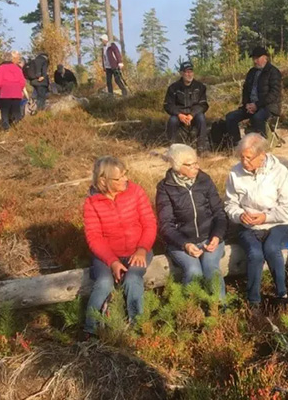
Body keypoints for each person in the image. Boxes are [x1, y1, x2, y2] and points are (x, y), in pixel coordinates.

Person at [82, 156, 156, 338]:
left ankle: (136, 326)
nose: (125, 180)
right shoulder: (92, 203)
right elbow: (94, 238)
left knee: (132, 279)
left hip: (138, 250)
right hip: (107, 255)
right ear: (103, 180)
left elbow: (149, 223)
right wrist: (112, 261)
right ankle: (89, 329)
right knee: (104, 283)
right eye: (119, 178)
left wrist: (142, 249)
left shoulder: (136, 192)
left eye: (125, 174)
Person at [224, 133, 288, 307]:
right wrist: (240, 215)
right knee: (255, 254)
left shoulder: (280, 172)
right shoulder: (235, 173)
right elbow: (229, 204)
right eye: (241, 157)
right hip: (248, 226)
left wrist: (265, 217)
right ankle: (254, 300)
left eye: (248, 158)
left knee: (272, 248)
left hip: (278, 223)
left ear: (262, 156)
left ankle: (282, 294)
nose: (244, 162)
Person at [156, 144, 227, 297]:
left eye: (196, 162)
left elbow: (219, 213)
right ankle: (191, 309)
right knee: (194, 271)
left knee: (211, 268)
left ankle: (219, 309)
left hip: (209, 237)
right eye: (190, 165)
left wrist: (216, 236)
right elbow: (165, 225)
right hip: (180, 242)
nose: (196, 167)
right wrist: (185, 244)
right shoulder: (165, 188)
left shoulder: (204, 180)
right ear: (177, 166)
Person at [225, 46, 282, 146]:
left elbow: (274, 93)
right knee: (231, 117)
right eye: (253, 58)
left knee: (257, 117)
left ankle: (262, 147)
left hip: (268, 107)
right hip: (251, 106)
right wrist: (247, 104)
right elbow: (245, 90)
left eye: (257, 58)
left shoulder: (273, 72)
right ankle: (237, 146)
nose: (255, 61)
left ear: (265, 58)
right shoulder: (251, 72)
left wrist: (257, 105)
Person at [164, 61, 210, 152]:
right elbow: (168, 105)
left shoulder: (200, 87)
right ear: (181, 73)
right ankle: (173, 148)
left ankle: (201, 148)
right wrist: (179, 114)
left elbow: (203, 105)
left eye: (191, 71)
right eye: (187, 72)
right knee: (172, 120)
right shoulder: (173, 88)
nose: (189, 74)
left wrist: (192, 114)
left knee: (201, 118)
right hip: (179, 115)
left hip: (194, 114)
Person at [0, 51, 27, 130]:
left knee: (5, 110)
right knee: (16, 110)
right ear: (11, 59)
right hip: (17, 92)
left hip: (5, 93)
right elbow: (22, 81)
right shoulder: (17, 68)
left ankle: (6, 127)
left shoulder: (1, 68)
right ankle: (18, 127)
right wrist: (20, 89)